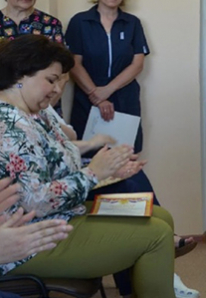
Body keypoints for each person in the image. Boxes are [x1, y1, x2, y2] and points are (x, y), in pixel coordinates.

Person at [0, 35, 176, 297]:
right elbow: (36, 202)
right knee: (157, 235)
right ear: (20, 74)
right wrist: (94, 173)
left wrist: (108, 171)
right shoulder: (9, 125)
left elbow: (59, 165)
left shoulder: (35, 115)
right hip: (26, 241)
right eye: (51, 80)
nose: (57, 89)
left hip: (59, 215)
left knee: (160, 217)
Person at [64, 0, 149, 152]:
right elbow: (74, 63)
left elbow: (137, 64)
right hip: (88, 98)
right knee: (88, 154)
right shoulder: (80, 22)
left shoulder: (132, 23)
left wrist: (108, 90)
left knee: (124, 154)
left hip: (124, 97)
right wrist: (97, 96)